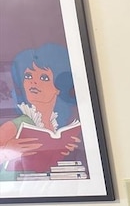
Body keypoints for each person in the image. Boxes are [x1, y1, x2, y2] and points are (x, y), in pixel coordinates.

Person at [0, 43, 82, 178]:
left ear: (58, 87)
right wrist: (7, 150)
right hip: (16, 190)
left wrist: (68, 152)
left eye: (43, 77)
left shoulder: (61, 125)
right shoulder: (15, 125)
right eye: (28, 76)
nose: (33, 82)